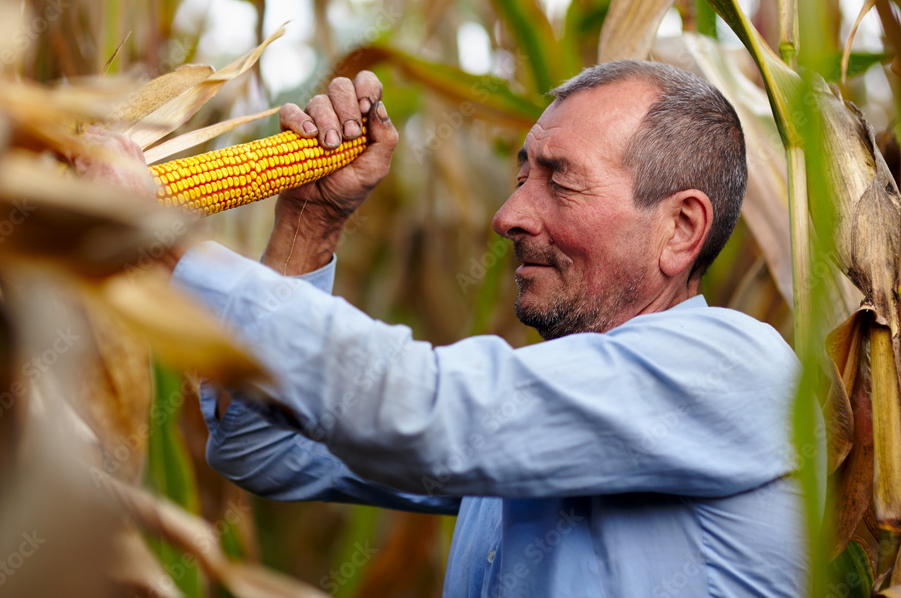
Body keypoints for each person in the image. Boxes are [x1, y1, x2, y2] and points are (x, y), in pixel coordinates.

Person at [97, 61, 810, 596]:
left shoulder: (734, 370)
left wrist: (166, 242)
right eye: (521, 174)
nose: (509, 214)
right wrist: (311, 224)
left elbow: (421, 404)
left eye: (559, 181)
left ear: (680, 228)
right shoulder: (539, 424)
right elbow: (262, 447)